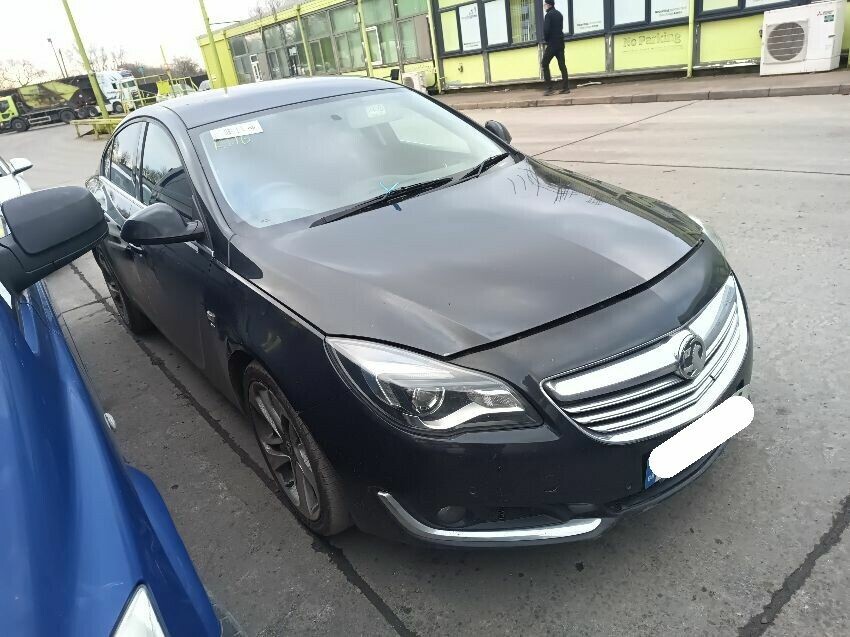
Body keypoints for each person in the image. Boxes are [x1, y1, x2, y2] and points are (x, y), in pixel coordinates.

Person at [541, 0, 569, 96]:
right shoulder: (559, 14)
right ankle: (566, 88)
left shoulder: (548, 15)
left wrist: (547, 40)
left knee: (544, 63)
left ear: (549, 5)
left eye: (545, 4)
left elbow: (546, 30)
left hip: (552, 44)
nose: (544, 6)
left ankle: (549, 89)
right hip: (560, 43)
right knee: (562, 65)